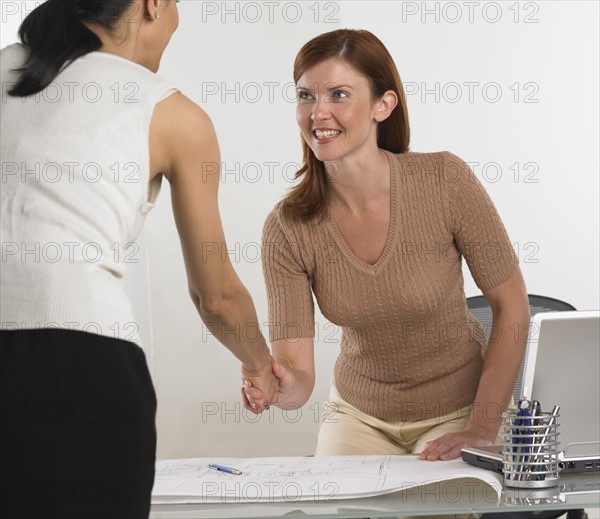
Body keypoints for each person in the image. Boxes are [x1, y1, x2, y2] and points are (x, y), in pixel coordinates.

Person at [0, 1, 276, 517]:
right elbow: (215, 296)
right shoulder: (172, 113)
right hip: (77, 372)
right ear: (152, 5)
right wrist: (260, 364)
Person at [244, 29, 530, 463]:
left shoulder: (444, 181)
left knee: (433, 508)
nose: (317, 113)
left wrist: (482, 428)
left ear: (384, 105)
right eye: (305, 96)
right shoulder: (287, 227)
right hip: (359, 415)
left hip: (460, 407)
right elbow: (297, 375)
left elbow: (512, 307)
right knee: (335, 506)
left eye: (338, 94)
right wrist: (279, 387)